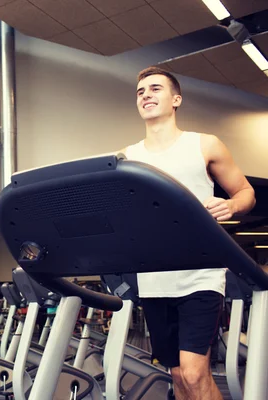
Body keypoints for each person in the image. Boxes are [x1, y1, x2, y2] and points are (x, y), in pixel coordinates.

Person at [118, 67, 256, 400]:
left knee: (194, 373)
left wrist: (232, 206)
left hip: (200, 276)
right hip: (154, 279)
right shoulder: (126, 158)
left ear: (176, 99)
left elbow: (245, 192)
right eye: (140, 92)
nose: (146, 95)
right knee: (178, 375)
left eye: (155, 89)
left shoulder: (204, 144)